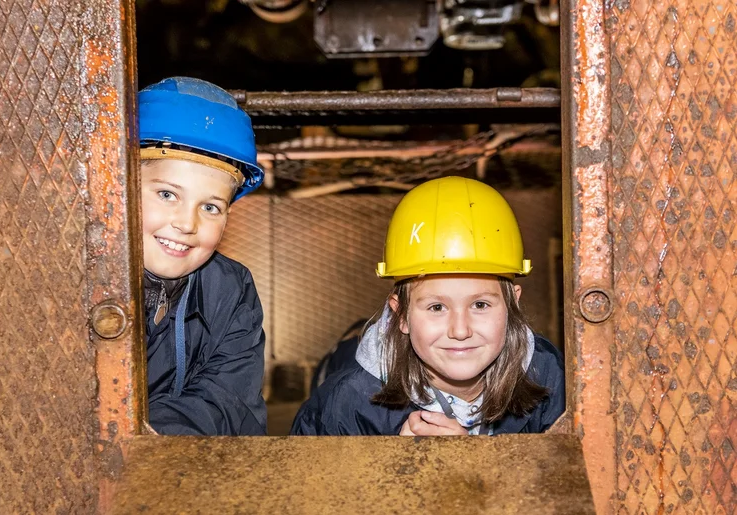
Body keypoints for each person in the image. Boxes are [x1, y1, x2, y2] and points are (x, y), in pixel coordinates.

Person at [291, 176, 564, 436]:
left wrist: (474, 458)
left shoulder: (550, 376)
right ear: (401, 315)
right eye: (437, 308)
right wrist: (394, 461)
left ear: (512, 304)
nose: (460, 331)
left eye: (480, 304)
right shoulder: (348, 404)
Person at [139, 77, 267, 435]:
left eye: (210, 207)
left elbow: (229, 402)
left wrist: (144, 445)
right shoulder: (77, 277)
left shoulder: (231, 289)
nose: (186, 223)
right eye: (167, 194)